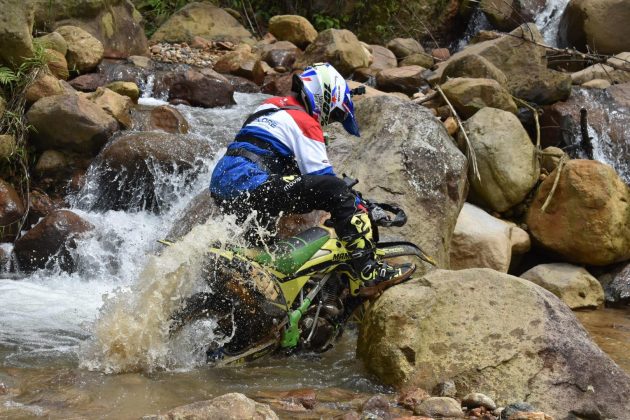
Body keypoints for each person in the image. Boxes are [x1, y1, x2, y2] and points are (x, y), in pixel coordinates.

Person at [210, 62, 414, 294]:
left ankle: (260, 289)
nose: (329, 120)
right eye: (334, 114)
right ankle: (369, 271)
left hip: (224, 185)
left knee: (263, 247)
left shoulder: (270, 105)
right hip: (250, 182)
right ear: (326, 97)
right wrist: (359, 204)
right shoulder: (305, 122)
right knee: (336, 190)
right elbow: (324, 180)